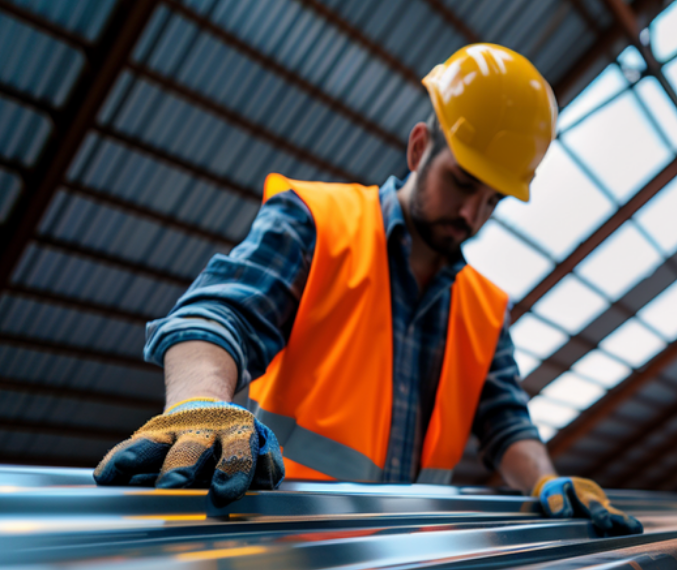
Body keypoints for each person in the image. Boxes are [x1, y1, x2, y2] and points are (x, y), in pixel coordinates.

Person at [94, 44, 641, 537]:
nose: (473, 214)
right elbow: (220, 314)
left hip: (401, 566)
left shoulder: (484, 311)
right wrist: (199, 403)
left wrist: (545, 482)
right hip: (281, 550)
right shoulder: (317, 223)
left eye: (494, 200)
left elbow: (506, 424)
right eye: (463, 182)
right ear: (419, 147)